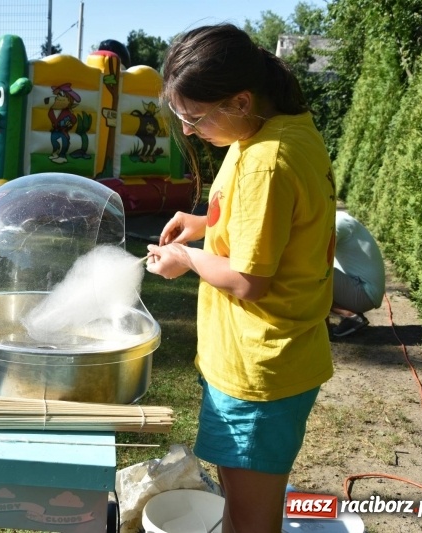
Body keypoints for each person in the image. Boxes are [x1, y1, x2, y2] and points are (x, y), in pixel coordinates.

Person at [145, 25, 336, 532]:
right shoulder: (278, 130)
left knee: (250, 520)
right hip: (269, 360)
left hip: (260, 372)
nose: (188, 131)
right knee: (243, 504)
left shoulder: (264, 163)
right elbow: (275, 227)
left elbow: (249, 280)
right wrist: (203, 223)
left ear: (241, 100)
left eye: (194, 117)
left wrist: (187, 258)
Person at [331, 211, 385, 337]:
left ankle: (350, 316)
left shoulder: (337, 223)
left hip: (364, 294)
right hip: (361, 289)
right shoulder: (338, 218)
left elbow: (316, 258)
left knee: (312, 275)